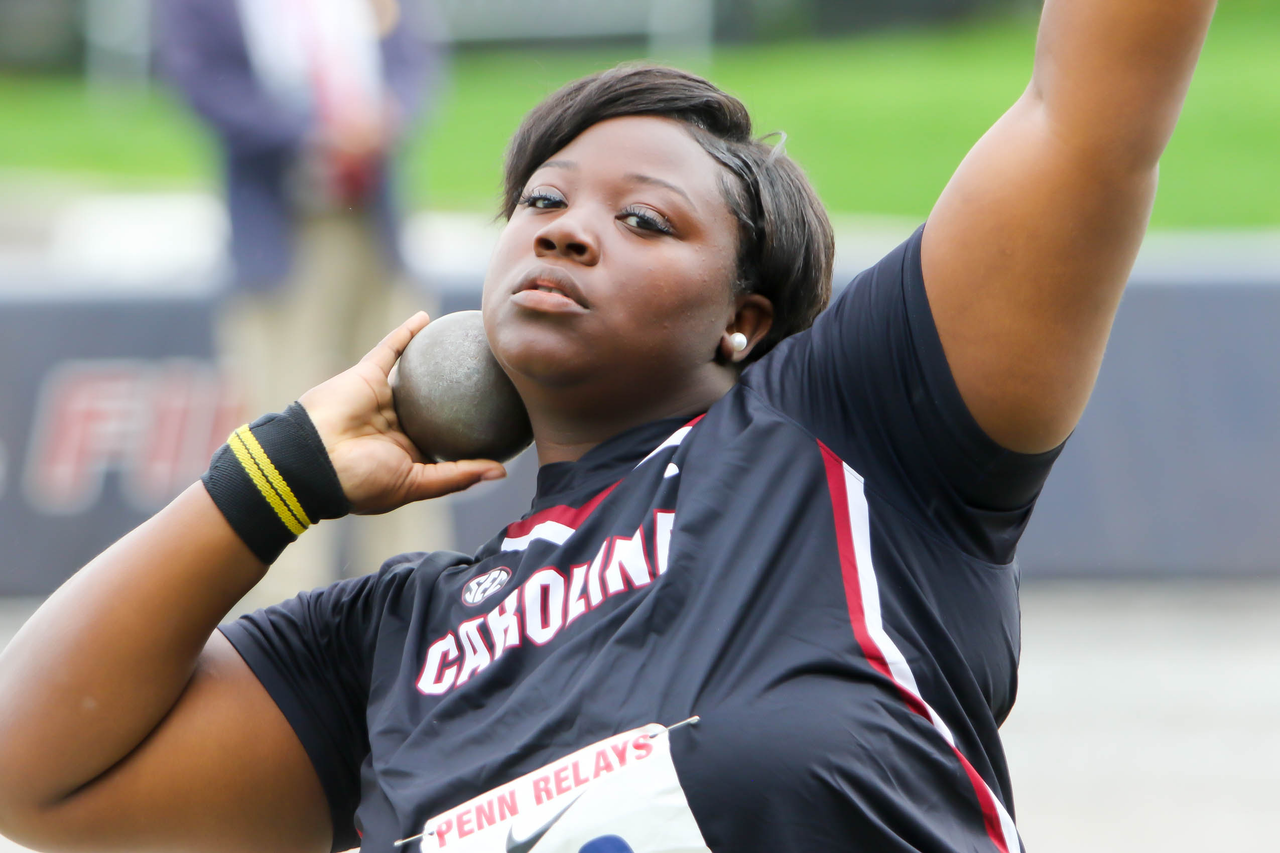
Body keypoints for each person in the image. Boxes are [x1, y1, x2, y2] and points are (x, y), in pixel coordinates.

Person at [0, 2, 1217, 851]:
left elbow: (1087, 118)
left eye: (643, 221)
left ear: (742, 320)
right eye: (539, 201)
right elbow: (36, 772)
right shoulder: (393, 639)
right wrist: (280, 474)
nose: (564, 229)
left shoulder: (849, 433)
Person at [155, 0, 452, 606]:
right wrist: (316, 134)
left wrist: (385, 116)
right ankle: (278, 627)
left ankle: (415, 601)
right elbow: (201, 80)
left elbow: (413, 52)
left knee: (409, 414)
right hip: (279, 223)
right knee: (284, 432)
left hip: (376, 220)